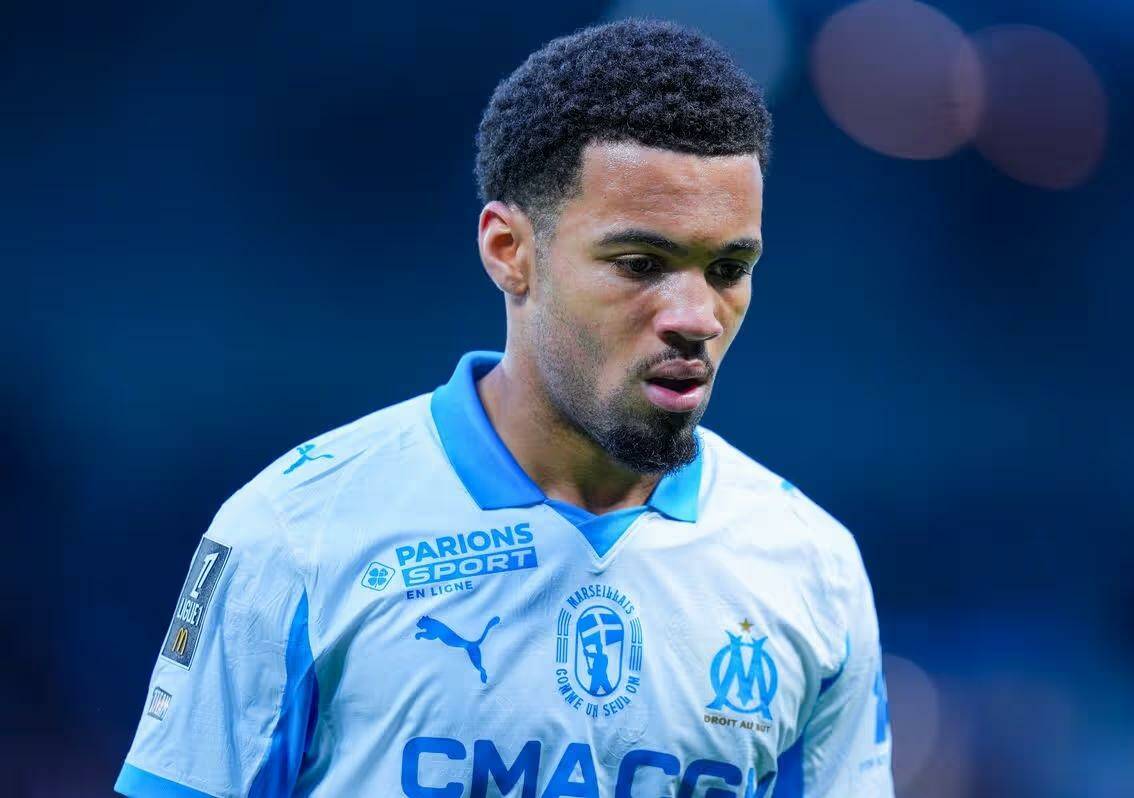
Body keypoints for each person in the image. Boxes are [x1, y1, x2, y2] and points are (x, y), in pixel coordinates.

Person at [115, 19, 893, 798]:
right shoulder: (297, 533)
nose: (696, 316)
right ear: (509, 251)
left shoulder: (811, 568)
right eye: (639, 263)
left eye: (727, 268)